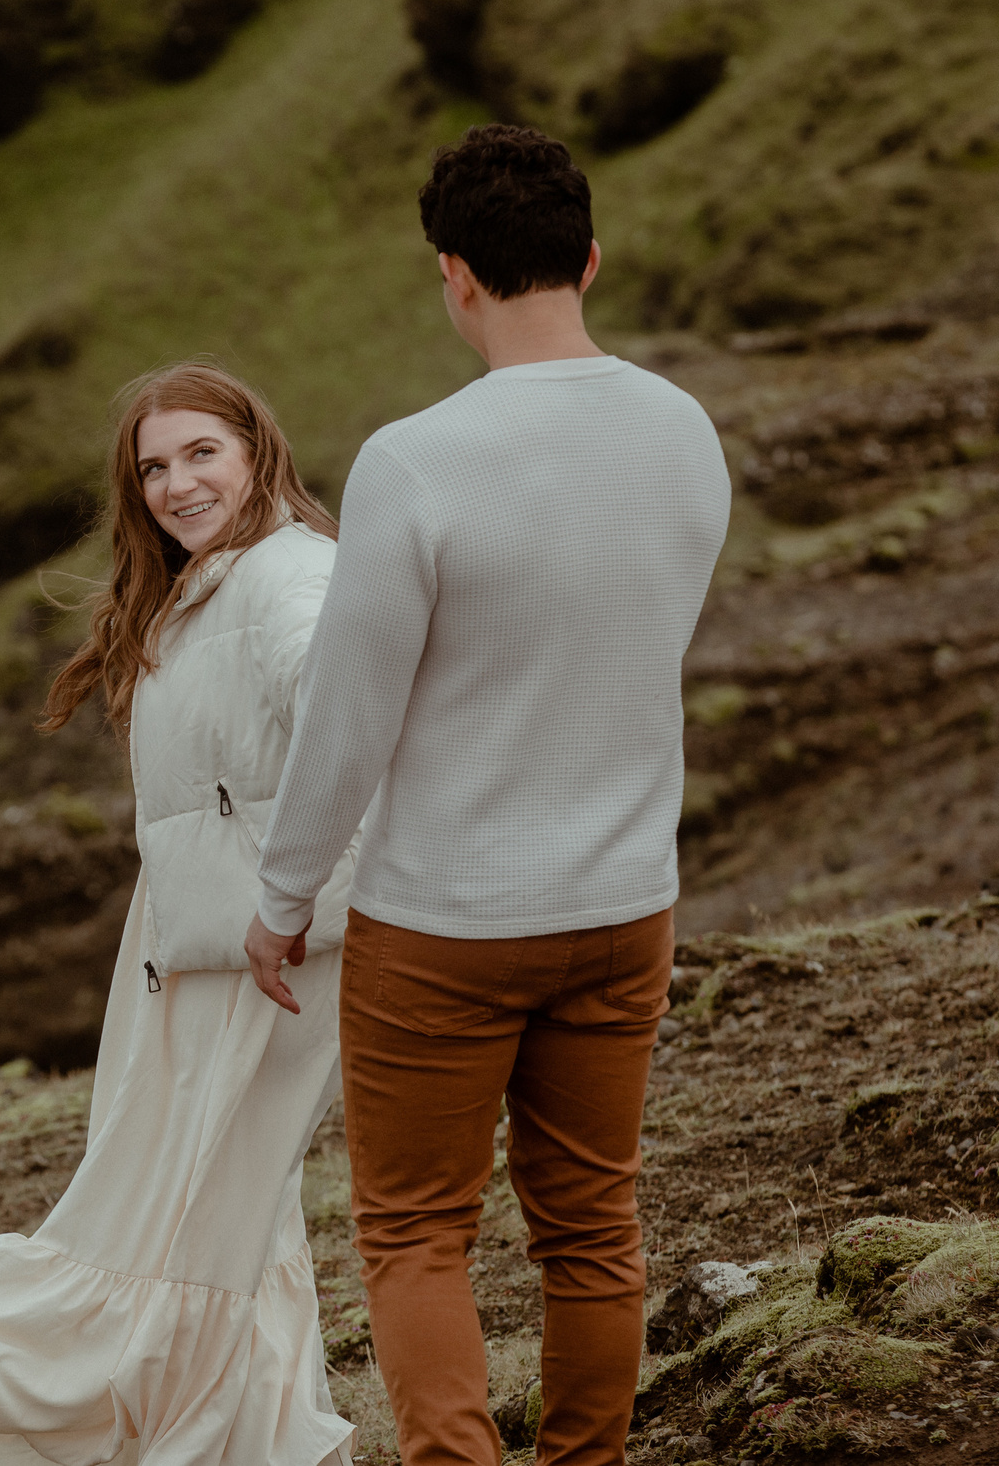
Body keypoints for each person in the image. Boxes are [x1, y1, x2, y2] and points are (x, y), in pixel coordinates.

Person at [244, 123, 731, 1466]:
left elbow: (350, 714)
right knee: (592, 1226)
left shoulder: (416, 459)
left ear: (452, 274)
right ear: (588, 255)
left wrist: (282, 894)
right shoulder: (686, 432)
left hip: (444, 921)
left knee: (414, 1230)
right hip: (626, 900)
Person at [0, 360, 361, 1466]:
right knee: (210, 1194)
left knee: (199, 1196)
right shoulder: (199, 588)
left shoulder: (290, 577)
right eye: (153, 467)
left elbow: (336, 698)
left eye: (202, 453)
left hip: (272, 944)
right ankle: (249, 1432)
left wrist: (287, 898)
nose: (177, 484)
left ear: (258, 452)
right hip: (189, 939)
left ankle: (171, 1427)